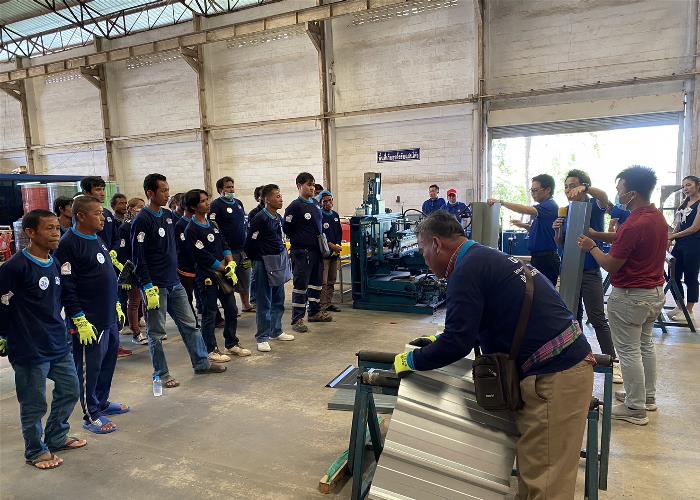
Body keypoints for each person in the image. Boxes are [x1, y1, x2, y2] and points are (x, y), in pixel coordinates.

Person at [394, 211, 594, 499]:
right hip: (558, 366)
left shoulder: (465, 271)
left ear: (436, 244)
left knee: (547, 482)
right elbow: (482, 320)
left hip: (557, 375)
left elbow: (457, 343)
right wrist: (436, 340)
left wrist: (412, 360)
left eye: (423, 251)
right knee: (535, 470)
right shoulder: (482, 257)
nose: (424, 259)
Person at [577, 166, 667, 425]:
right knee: (644, 346)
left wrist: (591, 246)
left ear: (632, 194)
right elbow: (624, 237)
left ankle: (635, 407)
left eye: (620, 190)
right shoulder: (656, 218)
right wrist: (597, 235)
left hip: (631, 296)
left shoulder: (634, 224)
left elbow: (611, 264)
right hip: (653, 293)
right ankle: (646, 397)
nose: (617, 194)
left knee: (628, 351)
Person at [0, 210, 86, 469]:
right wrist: (4, 335)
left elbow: (60, 299)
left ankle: (56, 436)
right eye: (49, 228)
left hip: (57, 343)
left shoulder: (54, 262)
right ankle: (35, 451)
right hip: (29, 348)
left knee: (71, 389)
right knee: (34, 403)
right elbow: (2, 305)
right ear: (30, 232)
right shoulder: (15, 267)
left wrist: (78, 319)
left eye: (57, 228)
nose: (56, 233)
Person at [131, 173, 226, 389]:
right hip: (155, 287)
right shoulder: (142, 220)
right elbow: (139, 257)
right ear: (150, 193)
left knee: (190, 325)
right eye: (163, 190)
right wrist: (147, 285)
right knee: (156, 333)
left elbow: (178, 241)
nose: (167, 194)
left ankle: (201, 363)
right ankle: (161, 374)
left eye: (167, 189)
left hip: (174, 283)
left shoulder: (167, 215)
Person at [54, 195, 129, 434]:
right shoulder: (68, 244)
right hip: (89, 320)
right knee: (89, 369)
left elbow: (105, 275)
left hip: (107, 316)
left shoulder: (97, 238)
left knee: (107, 363)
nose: (103, 218)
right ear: (81, 216)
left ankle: (102, 402)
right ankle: (91, 414)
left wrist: (116, 304)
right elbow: (67, 286)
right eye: (97, 214)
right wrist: (78, 317)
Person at [552, 170, 617, 371]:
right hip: (569, 272)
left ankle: (612, 362)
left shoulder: (593, 207)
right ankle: (577, 357)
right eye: (566, 186)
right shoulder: (566, 210)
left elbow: (603, 198)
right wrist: (557, 232)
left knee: (597, 318)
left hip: (589, 272)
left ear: (583, 186)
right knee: (572, 317)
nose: (568, 190)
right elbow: (562, 243)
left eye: (573, 186)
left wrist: (587, 188)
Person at [185, 189, 251, 361]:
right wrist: (223, 268)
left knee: (231, 309)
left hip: (224, 272)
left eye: (207, 199)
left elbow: (224, 243)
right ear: (193, 206)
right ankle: (211, 349)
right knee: (210, 313)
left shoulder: (213, 224)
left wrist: (230, 262)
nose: (207, 203)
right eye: (202, 201)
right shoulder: (191, 229)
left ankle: (231, 343)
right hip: (207, 275)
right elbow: (202, 256)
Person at [245, 184, 295, 352]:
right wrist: (258, 260)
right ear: (267, 199)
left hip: (277, 261)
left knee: (278, 298)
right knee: (264, 301)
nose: (281, 199)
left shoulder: (277, 217)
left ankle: (276, 330)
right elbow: (250, 243)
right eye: (277, 196)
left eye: (280, 195)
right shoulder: (260, 218)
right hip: (263, 263)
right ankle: (262, 337)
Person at [488, 174, 560, 286]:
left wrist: (502, 202)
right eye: (531, 190)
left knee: (544, 291)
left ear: (548, 190)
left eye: (535, 190)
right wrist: (523, 225)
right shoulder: (543, 208)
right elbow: (540, 231)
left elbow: (526, 209)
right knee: (537, 290)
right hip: (538, 258)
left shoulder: (549, 206)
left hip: (546, 259)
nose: (533, 193)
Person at [283, 172, 332, 332]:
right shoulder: (294, 206)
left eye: (313, 185)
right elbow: (286, 228)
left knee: (316, 284)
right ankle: (297, 319)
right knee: (301, 286)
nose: (312, 188)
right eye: (308, 185)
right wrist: (301, 239)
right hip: (302, 253)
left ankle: (314, 312)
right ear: (299, 186)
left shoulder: (316, 204)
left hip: (317, 252)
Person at [209, 176, 255, 313]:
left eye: (232, 186)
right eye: (228, 187)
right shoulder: (216, 205)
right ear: (220, 190)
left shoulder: (238, 203)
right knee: (228, 280)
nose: (231, 189)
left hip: (242, 249)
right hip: (227, 251)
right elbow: (213, 226)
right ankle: (230, 309)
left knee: (245, 277)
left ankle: (246, 305)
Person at [668, 175, 700, 320]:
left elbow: (694, 228)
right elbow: (679, 224)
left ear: (697, 185)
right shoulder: (684, 202)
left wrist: (673, 236)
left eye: (689, 185)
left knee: (690, 277)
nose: (685, 188)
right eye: (683, 186)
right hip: (680, 244)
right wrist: (670, 238)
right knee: (672, 274)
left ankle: (689, 311)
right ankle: (680, 306)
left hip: (694, 245)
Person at [116, 197, 147, 345]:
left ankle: (152, 330)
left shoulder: (143, 224)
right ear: (131, 209)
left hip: (145, 268)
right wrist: (128, 272)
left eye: (143, 206)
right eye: (138, 207)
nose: (141, 209)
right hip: (133, 269)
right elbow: (123, 252)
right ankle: (136, 332)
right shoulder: (125, 228)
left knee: (147, 302)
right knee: (134, 302)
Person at [174, 199, 202, 323]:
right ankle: (192, 320)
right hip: (186, 266)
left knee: (204, 294)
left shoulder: (201, 222)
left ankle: (212, 318)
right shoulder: (180, 225)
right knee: (188, 296)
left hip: (200, 264)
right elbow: (183, 246)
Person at [80, 176, 119, 251]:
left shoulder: (107, 213)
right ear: (86, 192)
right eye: (98, 190)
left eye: (103, 189)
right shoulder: (81, 215)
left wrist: (114, 251)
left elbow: (116, 237)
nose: (102, 193)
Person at [319, 191, 342, 313]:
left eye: (330, 200)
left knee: (332, 280)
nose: (328, 203)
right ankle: (321, 305)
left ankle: (328, 303)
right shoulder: (319, 216)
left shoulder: (335, 215)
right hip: (324, 254)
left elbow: (339, 233)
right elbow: (320, 235)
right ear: (320, 203)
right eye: (325, 201)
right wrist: (331, 246)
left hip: (334, 253)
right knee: (323, 281)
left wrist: (337, 246)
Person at [248, 185, 265, 305]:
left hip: (269, 251)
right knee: (255, 275)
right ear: (257, 198)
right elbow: (251, 233)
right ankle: (254, 299)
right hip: (257, 250)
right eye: (262, 195)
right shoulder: (253, 213)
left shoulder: (275, 213)